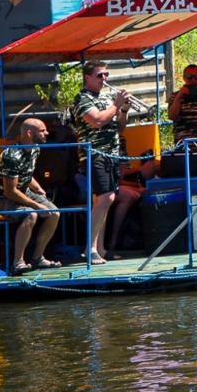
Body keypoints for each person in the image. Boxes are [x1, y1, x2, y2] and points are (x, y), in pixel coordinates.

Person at [71, 61, 133, 263]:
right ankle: (89, 249)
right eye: (99, 75)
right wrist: (115, 105)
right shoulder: (82, 99)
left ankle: (101, 249)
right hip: (94, 154)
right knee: (106, 199)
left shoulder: (106, 97)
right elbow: (97, 120)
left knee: (103, 201)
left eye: (106, 74)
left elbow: (120, 129)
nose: (104, 79)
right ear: (87, 77)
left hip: (112, 155)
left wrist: (123, 110)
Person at [0, 118, 62, 272]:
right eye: (42, 131)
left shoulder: (35, 148)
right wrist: (36, 205)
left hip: (23, 191)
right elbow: (10, 191)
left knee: (54, 213)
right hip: (1, 198)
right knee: (31, 214)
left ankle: (37, 258)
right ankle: (18, 262)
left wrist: (38, 189)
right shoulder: (12, 157)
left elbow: (26, 174)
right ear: (29, 133)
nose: (46, 133)